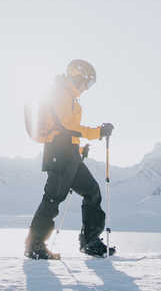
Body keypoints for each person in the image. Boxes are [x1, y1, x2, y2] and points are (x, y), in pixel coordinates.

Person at [26, 60, 114, 259]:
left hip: (69, 152)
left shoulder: (71, 98)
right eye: (86, 82)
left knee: (92, 191)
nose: (86, 88)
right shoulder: (60, 93)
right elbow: (64, 125)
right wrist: (97, 132)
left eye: (89, 84)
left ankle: (90, 241)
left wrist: (79, 148)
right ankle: (35, 245)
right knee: (54, 196)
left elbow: (68, 129)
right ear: (77, 77)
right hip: (58, 152)